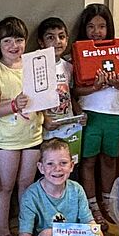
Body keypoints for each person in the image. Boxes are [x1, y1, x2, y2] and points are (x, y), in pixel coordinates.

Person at [0, 16, 44, 236]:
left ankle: (25, 230)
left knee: (27, 186)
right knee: (5, 187)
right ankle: (2, 233)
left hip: (33, 136)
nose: (14, 45)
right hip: (6, 141)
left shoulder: (34, 66)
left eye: (19, 40)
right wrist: (14, 105)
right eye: (7, 41)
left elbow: (43, 97)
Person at [74, 4, 119, 230]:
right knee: (88, 160)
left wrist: (116, 82)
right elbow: (75, 90)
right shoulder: (78, 54)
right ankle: (92, 206)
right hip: (90, 113)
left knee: (109, 158)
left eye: (101, 26)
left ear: (109, 28)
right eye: (91, 26)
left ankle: (108, 202)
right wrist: (95, 87)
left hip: (115, 113)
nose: (96, 31)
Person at [36, 17, 84, 160]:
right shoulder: (36, 66)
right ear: (41, 42)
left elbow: (70, 95)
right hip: (48, 129)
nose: (57, 41)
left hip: (69, 128)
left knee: (68, 164)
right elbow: (33, 100)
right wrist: (44, 119)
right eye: (51, 37)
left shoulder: (68, 66)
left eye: (61, 37)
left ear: (67, 40)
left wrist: (80, 113)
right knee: (50, 165)